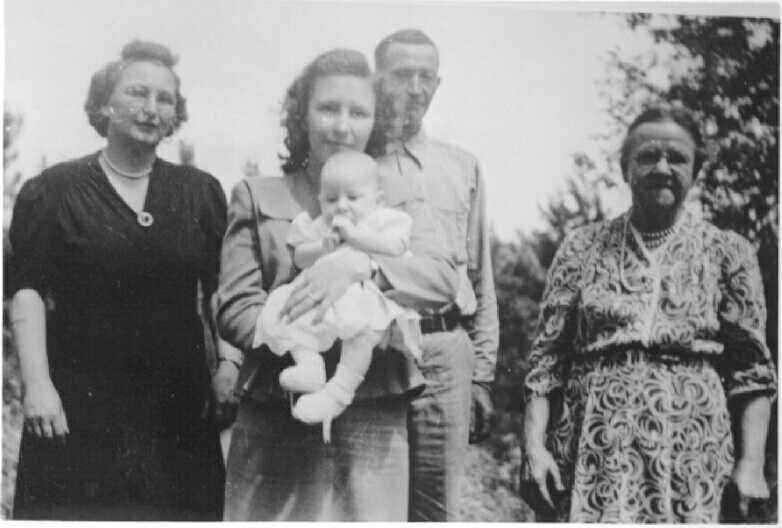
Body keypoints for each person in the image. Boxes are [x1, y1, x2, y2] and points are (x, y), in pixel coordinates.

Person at [216, 48, 459, 521]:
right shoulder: (258, 195)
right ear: (301, 115)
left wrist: (360, 268)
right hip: (277, 410)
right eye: (328, 109)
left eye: (358, 112)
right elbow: (235, 307)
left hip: (373, 412)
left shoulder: (398, 200)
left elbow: (442, 278)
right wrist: (306, 333)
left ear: (376, 120)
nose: (343, 126)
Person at [521, 103, 776, 523]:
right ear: (625, 168)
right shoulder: (581, 248)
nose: (662, 168)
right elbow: (546, 363)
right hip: (592, 455)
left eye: (677, 158)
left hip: (693, 455)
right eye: (647, 156)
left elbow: (753, 373)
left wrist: (750, 465)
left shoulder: (728, 252)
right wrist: (534, 448)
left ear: (696, 170)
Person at [8, 41, 226, 520]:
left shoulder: (201, 193)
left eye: (165, 99)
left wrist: (227, 364)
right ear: (105, 103)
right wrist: (38, 385)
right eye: (137, 93)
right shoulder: (54, 190)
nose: (151, 108)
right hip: (79, 402)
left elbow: (219, 291)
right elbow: (26, 291)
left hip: (177, 405)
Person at [373, 28, 500, 521]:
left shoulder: (461, 166)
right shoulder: (354, 162)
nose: (415, 88)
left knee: (435, 511)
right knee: (368, 504)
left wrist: (482, 376)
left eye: (426, 76)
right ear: (378, 78)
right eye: (402, 74)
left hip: (446, 354)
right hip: (376, 351)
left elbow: (480, 275)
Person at [255, 150, 422, 442]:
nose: (341, 206)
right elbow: (299, 258)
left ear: (377, 201)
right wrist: (323, 246)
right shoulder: (320, 225)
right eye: (331, 199)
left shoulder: (384, 221)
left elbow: (396, 248)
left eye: (353, 198)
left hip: (366, 291)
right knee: (287, 309)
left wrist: (354, 238)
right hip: (319, 295)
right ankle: (309, 366)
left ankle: (339, 391)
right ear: (320, 200)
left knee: (364, 333)